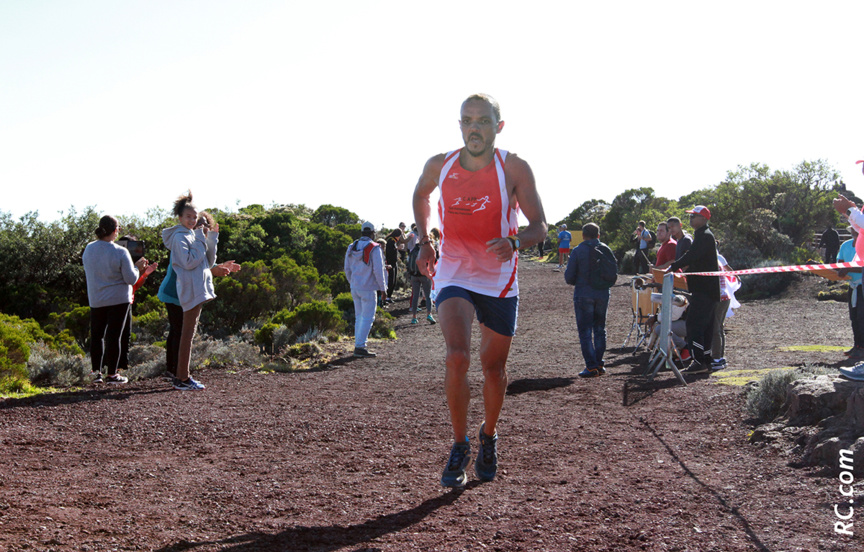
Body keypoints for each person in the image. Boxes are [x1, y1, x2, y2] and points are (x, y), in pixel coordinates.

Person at [412, 93, 547, 488]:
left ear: (497, 127)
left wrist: (516, 242)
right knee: (457, 356)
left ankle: (488, 434)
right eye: (467, 120)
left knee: (494, 369)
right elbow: (420, 194)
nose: (475, 127)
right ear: (459, 126)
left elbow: (539, 225)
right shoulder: (441, 165)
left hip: (498, 276)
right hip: (454, 269)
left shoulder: (514, 167)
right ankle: (459, 444)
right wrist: (424, 240)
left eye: (483, 121)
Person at [157, 213, 240, 380]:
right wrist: (213, 269)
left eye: (205, 225)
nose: (202, 228)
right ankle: (173, 371)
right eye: (199, 225)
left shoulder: (201, 243)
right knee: (178, 331)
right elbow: (188, 266)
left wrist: (217, 266)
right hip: (174, 293)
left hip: (186, 294)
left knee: (180, 331)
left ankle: (175, 370)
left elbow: (205, 262)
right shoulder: (183, 240)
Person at [161, 192, 219, 390]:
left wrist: (211, 238)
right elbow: (188, 262)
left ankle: (181, 376)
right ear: (180, 217)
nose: (193, 220)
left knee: (187, 335)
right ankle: (182, 378)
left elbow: (206, 262)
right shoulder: (180, 237)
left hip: (197, 290)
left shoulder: (190, 235)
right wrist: (200, 240)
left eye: (194, 217)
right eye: (189, 217)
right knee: (185, 335)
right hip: (189, 290)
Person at [82, 215, 149, 384]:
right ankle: (112, 374)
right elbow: (131, 279)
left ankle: (96, 372)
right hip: (119, 299)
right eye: (118, 228)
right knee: (114, 336)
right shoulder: (120, 251)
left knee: (97, 335)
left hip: (97, 298)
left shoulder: (89, 249)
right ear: (114, 231)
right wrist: (138, 268)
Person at [666, 206, 720, 374]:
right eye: (690, 216)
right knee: (705, 326)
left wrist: (674, 266)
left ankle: (698, 361)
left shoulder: (704, 236)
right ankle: (705, 359)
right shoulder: (702, 236)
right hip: (705, 289)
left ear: (704, 219)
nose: (691, 219)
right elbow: (696, 259)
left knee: (694, 324)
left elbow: (692, 256)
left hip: (704, 290)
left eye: (694, 216)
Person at [564, 223, 613, 378]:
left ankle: (591, 366)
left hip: (583, 293)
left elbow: (569, 276)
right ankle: (598, 363)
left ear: (583, 235)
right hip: (603, 293)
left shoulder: (578, 250)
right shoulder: (606, 249)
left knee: (585, 332)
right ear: (598, 235)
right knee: (600, 329)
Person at [344, 221, 388, 357]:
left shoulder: (352, 246)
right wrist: (383, 288)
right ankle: (360, 346)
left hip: (355, 287)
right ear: (373, 233)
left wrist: (352, 282)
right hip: (368, 288)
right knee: (368, 317)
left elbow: (346, 268)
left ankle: (358, 344)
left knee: (359, 317)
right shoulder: (374, 248)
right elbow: (378, 271)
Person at [116, 234, 159, 371]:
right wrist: (135, 268)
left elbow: (133, 285)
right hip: (116, 302)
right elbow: (125, 280)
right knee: (115, 336)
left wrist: (144, 274)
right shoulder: (118, 259)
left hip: (127, 301)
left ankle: (122, 367)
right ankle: (111, 368)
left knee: (125, 336)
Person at [710, 251, 741, 370]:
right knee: (719, 328)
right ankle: (719, 357)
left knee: (715, 329)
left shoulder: (714, 260)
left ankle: (717, 358)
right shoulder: (717, 259)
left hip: (720, 298)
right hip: (724, 297)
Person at [408, 232, 436, 325]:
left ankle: (414, 317)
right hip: (425, 275)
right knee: (428, 296)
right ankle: (429, 314)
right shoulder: (427, 249)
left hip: (414, 275)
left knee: (415, 296)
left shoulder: (413, 249)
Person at [384, 228, 402, 303]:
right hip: (390, 263)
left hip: (394, 263)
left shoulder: (393, 240)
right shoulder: (391, 241)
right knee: (391, 280)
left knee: (393, 280)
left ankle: (389, 296)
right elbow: (390, 252)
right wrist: (398, 248)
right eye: (400, 235)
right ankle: (387, 297)